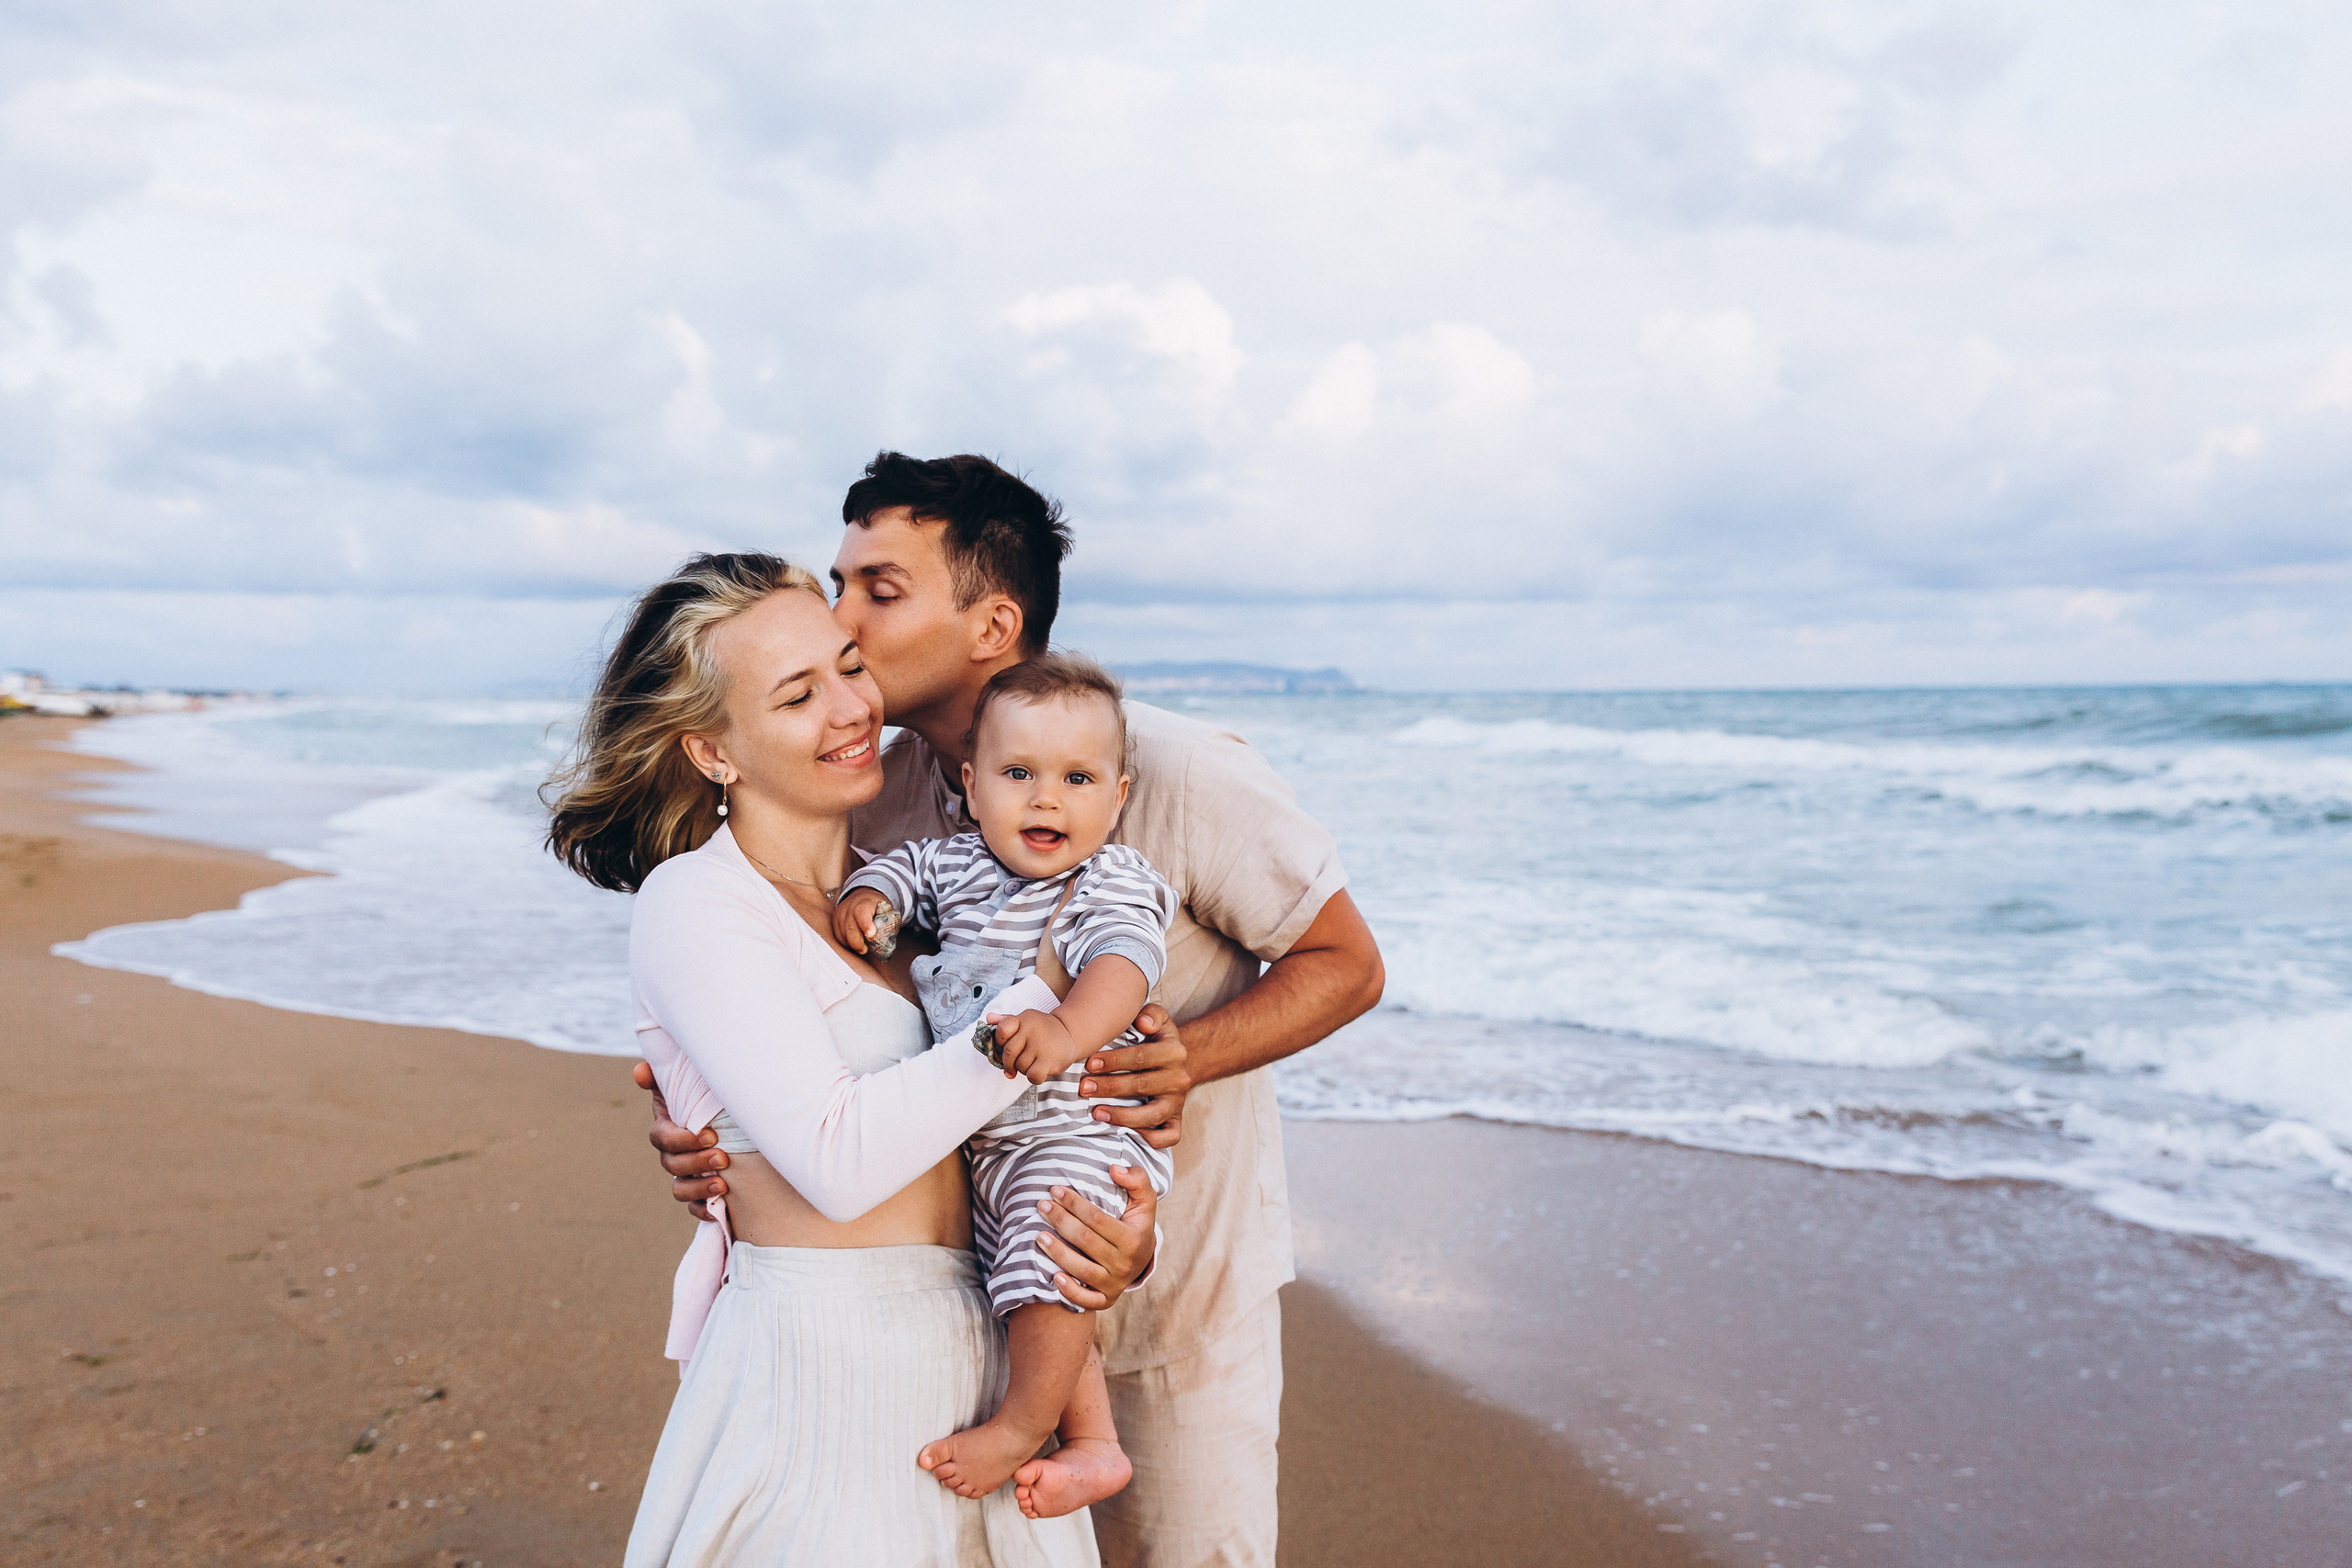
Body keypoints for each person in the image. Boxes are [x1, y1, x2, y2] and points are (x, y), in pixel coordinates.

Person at [645, 454, 1386, 1567]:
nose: (842, 617)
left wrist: (1178, 1057)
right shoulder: (874, 796)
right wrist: (721, 1124)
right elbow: (816, 1005)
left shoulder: (1166, 768)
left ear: (992, 625)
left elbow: (1347, 962)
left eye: (876, 592)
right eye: (839, 584)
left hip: (1167, 1294)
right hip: (974, 1300)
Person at [548, 552, 1159, 1564]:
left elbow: (1006, 1141)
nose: (851, 708)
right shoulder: (700, 904)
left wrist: (1113, 1238)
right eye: (797, 695)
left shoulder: (910, 907)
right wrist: (1041, 1015)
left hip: (978, 1359)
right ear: (711, 752)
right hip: (825, 1366)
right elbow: (836, 1161)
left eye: (847, 666)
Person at [836, 654, 1180, 1511]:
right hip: (991, 1141)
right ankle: (1094, 1439)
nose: (1046, 798)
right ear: (971, 783)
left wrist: (1066, 1028)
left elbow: (1124, 963)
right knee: (1029, 1287)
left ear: (1119, 795)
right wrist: (871, 897)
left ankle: (1025, 1428)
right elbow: (900, 871)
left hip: (1077, 1128)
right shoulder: (954, 865)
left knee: (1051, 1260)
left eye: (1077, 777)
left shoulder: (1108, 879)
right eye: (1018, 773)